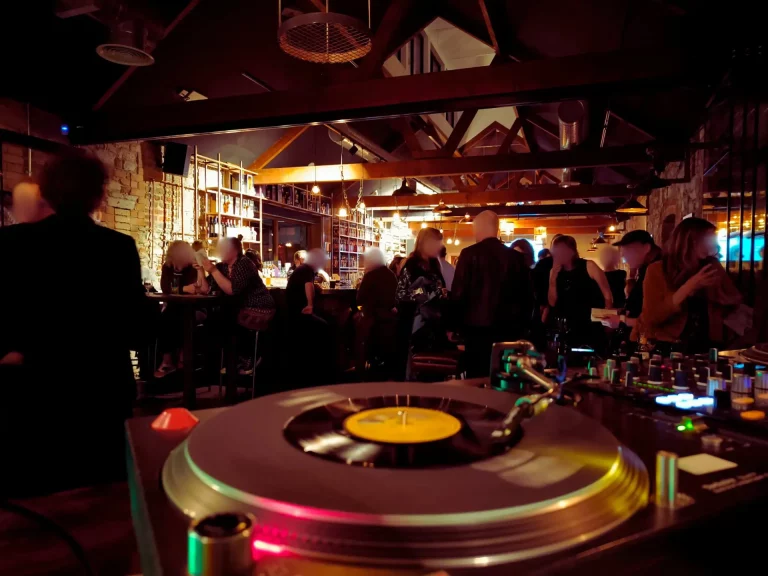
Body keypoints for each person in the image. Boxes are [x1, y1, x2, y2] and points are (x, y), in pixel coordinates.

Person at [0, 150, 147, 496]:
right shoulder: (118, 247)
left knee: (30, 501)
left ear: (46, 193)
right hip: (100, 391)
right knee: (101, 501)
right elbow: (135, 328)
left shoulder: (8, 244)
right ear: (98, 196)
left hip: (29, 393)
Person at [640, 218, 742, 354]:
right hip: (669, 348)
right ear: (692, 242)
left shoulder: (712, 266)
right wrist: (689, 287)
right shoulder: (657, 270)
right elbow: (651, 318)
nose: (715, 245)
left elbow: (733, 301)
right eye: (710, 240)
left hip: (710, 346)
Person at [452, 211, 533, 377]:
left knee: (477, 378)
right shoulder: (516, 258)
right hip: (508, 331)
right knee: (503, 377)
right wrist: (522, 329)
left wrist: (453, 327)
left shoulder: (469, 254)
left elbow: (459, 294)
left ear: (479, 228)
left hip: (476, 331)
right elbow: (527, 298)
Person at [200, 237, 275, 374]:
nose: (219, 252)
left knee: (226, 318)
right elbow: (205, 289)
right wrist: (200, 269)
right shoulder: (222, 266)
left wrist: (213, 271)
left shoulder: (244, 263)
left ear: (233, 251)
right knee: (214, 320)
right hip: (238, 308)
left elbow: (232, 290)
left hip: (260, 308)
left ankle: (245, 358)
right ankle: (226, 361)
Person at [396, 227, 452, 362]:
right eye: (436, 243)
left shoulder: (434, 264)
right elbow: (402, 293)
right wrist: (432, 292)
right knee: (420, 366)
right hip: (416, 326)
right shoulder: (412, 265)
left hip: (434, 325)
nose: (439, 247)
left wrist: (442, 293)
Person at [548, 235, 613, 350]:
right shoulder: (554, 272)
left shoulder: (589, 266)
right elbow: (552, 302)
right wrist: (553, 279)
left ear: (572, 251)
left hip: (590, 323)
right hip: (567, 325)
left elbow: (607, 295)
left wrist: (607, 320)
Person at [154, 241, 205, 377]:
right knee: (166, 318)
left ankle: (173, 360)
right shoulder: (168, 267)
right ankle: (177, 359)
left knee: (174, 317)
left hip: (195, 308)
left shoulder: (191, 267)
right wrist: (183, 289)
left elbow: (195, 288)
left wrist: (180, 290)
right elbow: (165, 287)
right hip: (175, 307)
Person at [284, 248, 332, 383]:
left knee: (324, 321)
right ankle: (322, 370)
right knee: (326, 327)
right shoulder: (306, 270)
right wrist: (310, 304)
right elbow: (308, 286)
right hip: (299, 314)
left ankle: (313, 367)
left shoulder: (303, 270)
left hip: (293, 313)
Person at [600, 230, 661, 331]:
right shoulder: (645, 269)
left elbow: (658, 318)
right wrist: (622, 311)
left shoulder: (657, 270)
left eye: (627, 251)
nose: (623, 257)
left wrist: (622, 320)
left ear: (646, 248)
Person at [356, 247, 398, 375]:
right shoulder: (391, 275)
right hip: (389, 319)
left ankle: (359, 365)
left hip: (372, 319)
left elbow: (359, 299)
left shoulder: (370, 275)